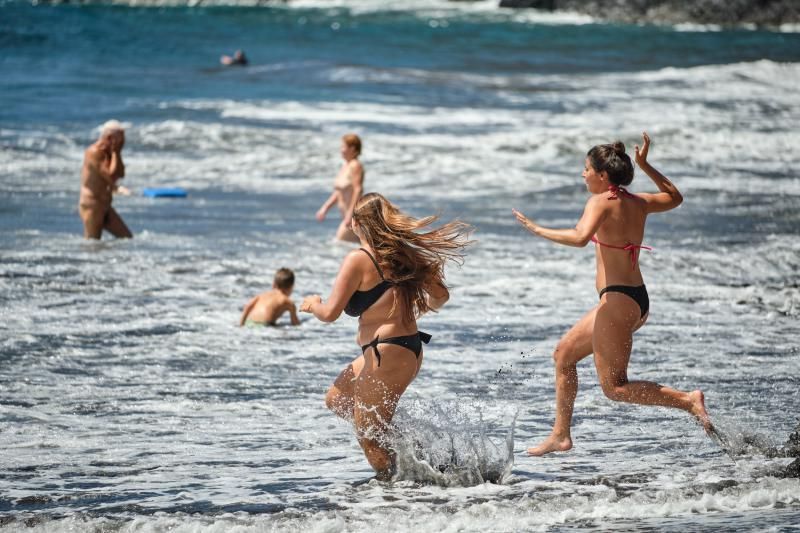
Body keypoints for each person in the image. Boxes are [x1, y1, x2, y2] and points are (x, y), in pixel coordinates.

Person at [512, 132, 712, 457]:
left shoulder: (601, 201)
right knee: (564, 355)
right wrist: (646, 165)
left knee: (615, 388)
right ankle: (560, 435)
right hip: (633, 298)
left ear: (602, 176)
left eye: (586, 169)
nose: (583, 174)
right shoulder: (638, 202)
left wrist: (537, 229)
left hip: (618, 302)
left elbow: (579, 237)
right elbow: (675, 196)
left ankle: (687, 400)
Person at [301, 193, 471, 479]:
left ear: (357, 223)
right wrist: (415, 309)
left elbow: (330, 313)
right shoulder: (404, 254)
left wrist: (312, 304)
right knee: (337, 399)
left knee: (367, 433)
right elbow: (441, 296)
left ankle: (395, 494)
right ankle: (418, 458)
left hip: (387, 353)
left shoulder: (358, 259)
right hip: (404, 349)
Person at [79, 120, 132, 240]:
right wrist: (115, 152)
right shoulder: (93, 152)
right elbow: (110, 175)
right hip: (92, 205)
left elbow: (120, 173)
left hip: (105, 205)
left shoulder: (110, 153)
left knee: (126, 238)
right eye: (120, 139)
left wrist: (116, 153)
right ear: (109, 137)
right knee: (92, 242)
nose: (122, 143)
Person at [315, 134, 364, 243]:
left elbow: (358, 190)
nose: (341, 150)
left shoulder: (356, 166)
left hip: (353, 218)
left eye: (343, 147)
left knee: (340, 243)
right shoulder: (345, 166)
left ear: (352, 148)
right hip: (346, 217)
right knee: (349, 247)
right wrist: (325, 208)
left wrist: (351, 215)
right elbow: (339, 192)